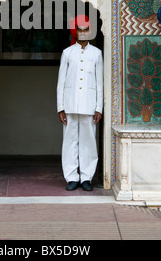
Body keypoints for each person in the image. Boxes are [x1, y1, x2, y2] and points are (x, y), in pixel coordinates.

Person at [57, 14, 103, 191]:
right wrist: (60, 107)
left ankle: (86, 177)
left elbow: (100, 83)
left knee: (88, 142)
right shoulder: (67, 53)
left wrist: (99, 108)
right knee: (70, 141)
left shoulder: (96, 53)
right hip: (69, 104)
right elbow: (61, 82)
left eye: (85, 30)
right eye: (80, 30)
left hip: (89, 105)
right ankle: (71, 177)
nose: (83, 33)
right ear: (74, 32)